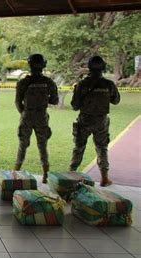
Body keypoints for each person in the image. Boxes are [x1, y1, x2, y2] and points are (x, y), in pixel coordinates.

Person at [70, 56, 120, 186]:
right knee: (102, 148)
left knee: (79, 147)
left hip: (84, 120)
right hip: (101, 121)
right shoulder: (108, 84)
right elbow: (116, 100)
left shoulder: (82, 84)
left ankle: (70, 174)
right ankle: (104, 178)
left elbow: (74, 105)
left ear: (89, 68)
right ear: (103, 68)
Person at [14, 54, 59, 183]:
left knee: (22, 145)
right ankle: (45, 174)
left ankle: (15, 172)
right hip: (42, 117)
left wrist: (24, 113)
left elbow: (18, 102)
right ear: (43, 65)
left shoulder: (23, 82)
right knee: (42, 146)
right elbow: (55, 100)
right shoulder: (48, 82)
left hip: (27, 116)